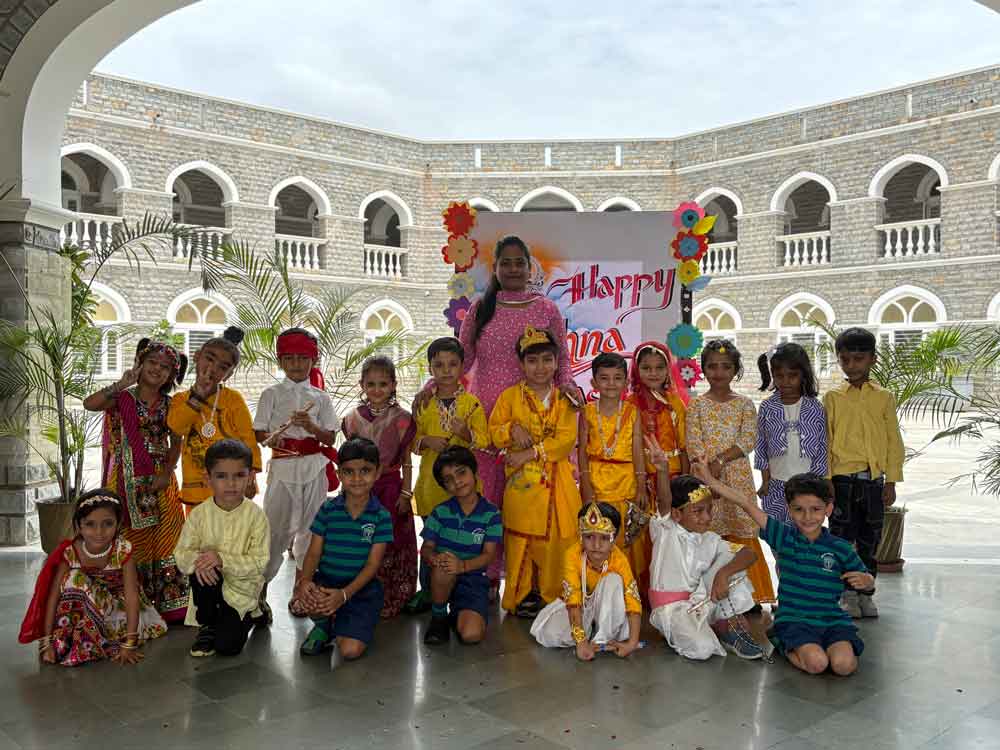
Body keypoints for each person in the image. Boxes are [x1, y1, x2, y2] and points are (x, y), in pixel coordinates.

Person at [417, 235, 580, 593]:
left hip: (532, 416)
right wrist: (433, 385)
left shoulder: (546, 309)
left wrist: (567, 386)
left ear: (529, 267)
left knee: (530, 496)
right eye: (506, 263)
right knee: (487, 495)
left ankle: (530, 581)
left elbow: (563, 358)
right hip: (485, 416)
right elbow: (463, 358)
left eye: (519, 262)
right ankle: (486, 575)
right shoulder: (481, 308)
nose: (513, 269)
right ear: (496, 268)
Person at [696, 464, 871, 676]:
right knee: (817, 664)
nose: (807, 516)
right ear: (789, 509)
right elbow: (745, 503)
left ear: (828, 509)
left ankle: (810, 647)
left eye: (816, 509)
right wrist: (710, 481)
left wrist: (867, 581)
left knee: (844, 666)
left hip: (832, 620)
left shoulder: (840, 548)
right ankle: (783, 642)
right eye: (799, 509)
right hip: (795, 620)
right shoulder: (784, 537)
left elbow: (867, 580)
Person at [83, 338, 189, 623]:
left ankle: (171, 604)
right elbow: (89, 404)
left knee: (167, 536)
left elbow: (176, 442)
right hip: (124, 480)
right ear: (140, 364)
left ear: (171, 375)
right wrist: (121, 383)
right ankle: (129, 602)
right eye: (152, 362)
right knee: (129, 539)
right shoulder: (121, 398)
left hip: (160, 479)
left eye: (165, 367)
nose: (157, 369)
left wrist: (167, 472)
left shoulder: (172, 405)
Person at [488, 326, 581, 618]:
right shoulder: (509, 397)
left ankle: (554, 594)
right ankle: (521, 595)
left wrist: (530, 453)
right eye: (532, 361)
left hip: (557, 482)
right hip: (522, 485)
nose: (540, 368)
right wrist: (510, 429)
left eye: (546, 360)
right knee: (520, 539)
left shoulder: (565, 399)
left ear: (556, 362)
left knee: (557, 540)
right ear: (521, 364)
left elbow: (566, 440)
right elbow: (494, 431)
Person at [19, 489, 166, 666]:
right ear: (79, 526)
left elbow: (131, 597)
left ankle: (92, 642)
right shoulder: (70, 552)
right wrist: (47, 643)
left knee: (77, 581)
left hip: (119, 614)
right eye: (90, 524)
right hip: (84, 612)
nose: (99, 532)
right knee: (74, 579)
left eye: (108, 524)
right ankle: (72, 640)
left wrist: (129, 644)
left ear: (118, 524)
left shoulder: (123, 550)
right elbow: (53, 597)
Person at [645, 440, 762, 660]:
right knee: (703, 649)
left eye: (709, 510)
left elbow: (749, 554)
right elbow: (664, 501)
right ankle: (684, 629)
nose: (707, 518)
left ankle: (724, 625)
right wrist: (662, 470)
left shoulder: (709, 539)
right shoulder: (666, 530)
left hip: (698, 604)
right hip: (671, 609)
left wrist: (723, 574)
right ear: (677, 514)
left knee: (732, 566)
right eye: (698, 511)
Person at [254, 327, 338, 621]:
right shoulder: (271, 394)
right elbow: (260, 433)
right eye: (289, 358)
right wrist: (274, 436)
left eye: (303, 358)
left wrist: (311, 427)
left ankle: (301, 591)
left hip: (314, 468)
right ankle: (258, 596)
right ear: (280, 361)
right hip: (283, 468)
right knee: (274, 530)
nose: (297, 364)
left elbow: (330, 437)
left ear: (313, 360)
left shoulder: (321, 398)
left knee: (311, 531)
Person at [686, 339, 776, 605]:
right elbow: (693, 442)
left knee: (742, 527)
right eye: (712, 366)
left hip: (737, 478)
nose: (718, 372)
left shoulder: (745, 404)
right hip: (704, 478)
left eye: (726, 366)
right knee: (708, 527)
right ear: (703, 369)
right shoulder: (696, 405)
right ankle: (709, 594)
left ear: (736, 370)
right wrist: (707, 472)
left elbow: (748, 440)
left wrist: (720, 461)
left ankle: (749, 597)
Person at [405, 337, 489, 614]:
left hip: (464, 490)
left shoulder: (471, 404)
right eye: (439, 365)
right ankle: (428, 591)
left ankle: (462, 593)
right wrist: (427, 440)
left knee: (462, 541)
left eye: (452, 364)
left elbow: (485, 441)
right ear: (430, 368)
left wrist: (465, 433)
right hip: (431, 487)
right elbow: (411, 443)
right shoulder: (424, 403)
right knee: (431, 542)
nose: (446, 370)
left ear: (463, 367)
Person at [824, 327, 904, 620]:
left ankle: (866, 594)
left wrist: (891, 480)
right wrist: (827, 480)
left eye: (858, 359)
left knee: (870, 541)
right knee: (841, 541)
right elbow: (826, 441)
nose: (852, 365)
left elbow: (893, 440)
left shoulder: (884, 398)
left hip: (873, 482)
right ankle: (847, 595)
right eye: (845, 359)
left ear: (872, 359)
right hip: (842, 482)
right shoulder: (832, 397)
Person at [296, 437, 393, 660]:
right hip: (327, 582)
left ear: (378, 472)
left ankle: (348, 621)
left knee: (350, 650)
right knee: (309, 593)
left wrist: (344, 595)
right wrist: (305, 581)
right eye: (349, 472)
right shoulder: (328, 509)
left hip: (361, 590)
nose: (357, 479)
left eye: (365, 471)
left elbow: (372, 565)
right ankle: (323, 626)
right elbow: (313, 553)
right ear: (339, 474)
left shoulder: (381, 516)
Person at [174, 439, 269, 658]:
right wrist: (202, 562)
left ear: (250, 477)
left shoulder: (257, 517)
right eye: (221, 476)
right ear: (208, 478)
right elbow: (181, 554)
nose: (231, 483)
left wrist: (222, 559)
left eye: (239, 475)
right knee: (201, 566)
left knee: (228, 647)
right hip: (210, 585)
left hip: (242, 590)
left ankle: (254, 610)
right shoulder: (199, 515)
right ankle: (207, 625)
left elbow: (260, 562)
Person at [341, 356, 417, 618]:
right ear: (362, 385)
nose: (376, 390)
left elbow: (406, 461)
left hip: (390, 490)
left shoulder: (402, 419)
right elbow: (348, 461)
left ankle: (393, 595)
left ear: (393, 385)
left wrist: (406, 493)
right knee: (361, 539)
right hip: (359, 490)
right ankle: (358, 593)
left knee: (391, 539)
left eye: (383, 384)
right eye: (371, 384)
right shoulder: (352, 419)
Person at [530, 502, 643, 661]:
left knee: (613, 580)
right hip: (579, 609)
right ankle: (588, 631)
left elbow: (633, 601)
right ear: (580, 536)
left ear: (614, 539)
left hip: (608, 611)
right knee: (551, 634)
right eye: (589, 537)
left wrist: (632, 643)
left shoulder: (620, 560)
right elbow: (573, 601)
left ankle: (602, 636)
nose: (596, 545)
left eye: (604, 538)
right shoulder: (572, 555)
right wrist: (581, 641)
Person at [167, 326, 262, 516]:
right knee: (200, 531)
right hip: (197, 487)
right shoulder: (180, 399)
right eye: (209, 359)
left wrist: (251, 475)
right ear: (197, 356)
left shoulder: (233, 399)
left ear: (229, 374)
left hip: (232, 485)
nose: (213, 368)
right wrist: (198, 396)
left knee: (232, 531)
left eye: (223, 367)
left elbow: (248, 438)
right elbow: (177, 427)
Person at [421, 446, 502, 645]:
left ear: (474, 472)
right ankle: (439, 616)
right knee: (445, 565)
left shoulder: (491, 514)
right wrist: (435, 558)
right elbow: (426, 548)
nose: (457, 481)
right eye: (448, 479)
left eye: (461, 472)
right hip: (441, 575)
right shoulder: (439, 512)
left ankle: (459, 612)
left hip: (473, 580)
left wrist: (463, 566)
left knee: (471, 635)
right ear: (444, 486)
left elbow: (489, 555)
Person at [579, 352, 648, 581]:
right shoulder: (587, 411)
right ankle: (596, 585)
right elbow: (582, 451)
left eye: (617, 378)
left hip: (626, 482)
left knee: (625, 538)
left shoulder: (632, 411)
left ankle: (625, 586)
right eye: (604, 378)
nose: (611, 384)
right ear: (594, 383)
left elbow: (637, 450)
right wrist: (585, 484)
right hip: (596, 481)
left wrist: (641, 486)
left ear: (626, 382)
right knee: (597, 535)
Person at [755, 342, 828, 524]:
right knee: (777, 531)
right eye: (779, 376)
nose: (786, 381)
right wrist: (765, 481)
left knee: (805, 529)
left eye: (792, 375)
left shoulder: (815, 407)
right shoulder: (767, 407)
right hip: (776, 485)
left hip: (807, 486)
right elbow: (761, 446)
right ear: (772, 375)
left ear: (803, 374)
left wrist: (819, 484)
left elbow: (822, 448)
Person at [627, 340, 690, 506]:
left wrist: (685, 480)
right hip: (639, 478)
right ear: (637, 369)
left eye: (659, 368)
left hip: (673, 475)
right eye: (646, 368)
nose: (653, 373)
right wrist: (640, 484)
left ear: (668, 369)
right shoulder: (630, 404)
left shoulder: (674, 403)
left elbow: (684, 446)